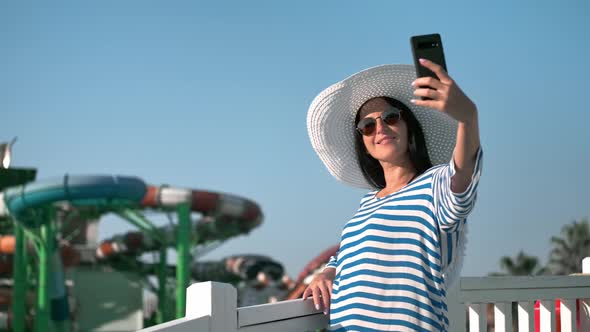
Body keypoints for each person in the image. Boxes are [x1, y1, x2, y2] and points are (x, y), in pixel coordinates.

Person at [303, 59, 482, 332]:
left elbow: (462, 174)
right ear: (363, 143)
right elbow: (349, 255)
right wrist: (328, 272)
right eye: (368, 126)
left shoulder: (435, 185)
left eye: (391, 117)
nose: (380, 128)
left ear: (409, 129)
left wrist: (468, 118)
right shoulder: (366, 204)